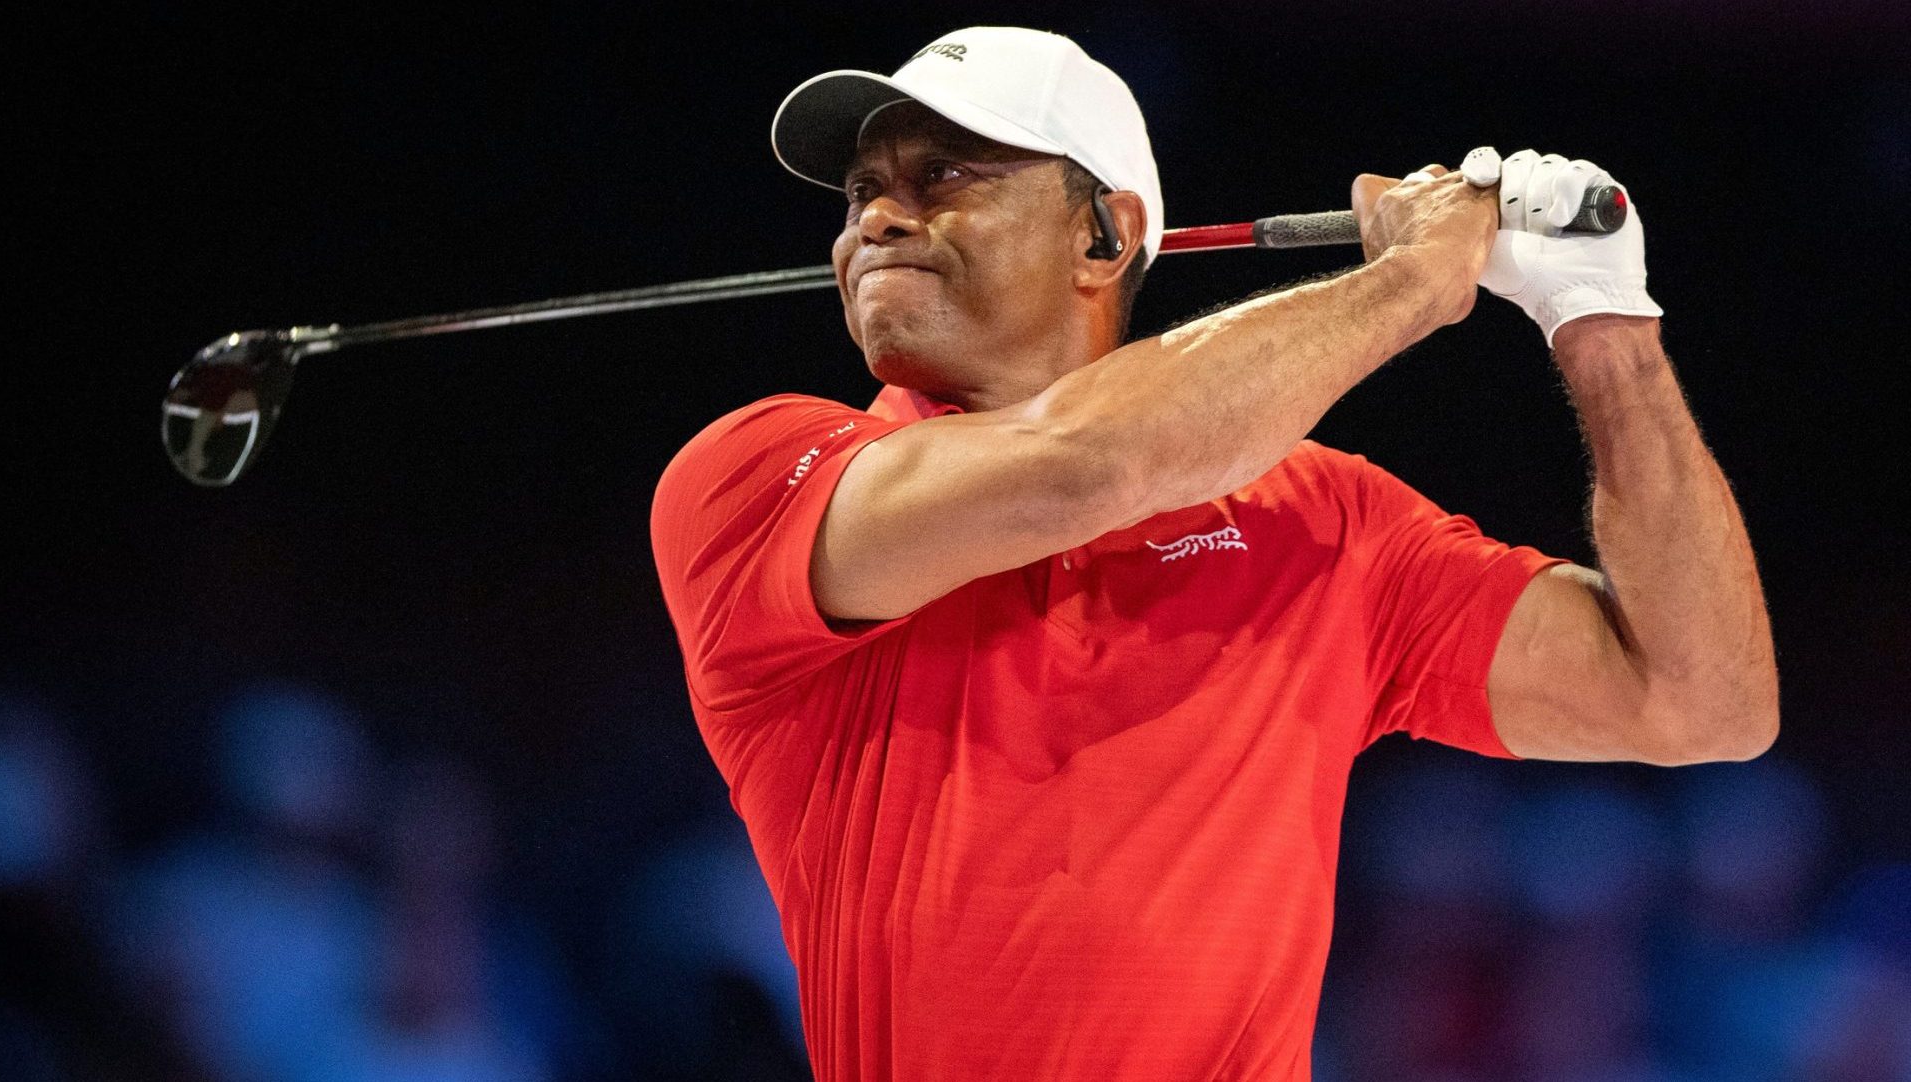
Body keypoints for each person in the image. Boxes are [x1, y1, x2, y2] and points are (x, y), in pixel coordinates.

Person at [648, 25, 1778, 1081]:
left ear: (1107, 233)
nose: (876, 223)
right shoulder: (754, 473)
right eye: (861, 192)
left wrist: (1605, 325)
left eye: (941, 177)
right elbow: (1089, 463)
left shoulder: (1322, 522)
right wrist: (1409, 283)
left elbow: (1702, 699)